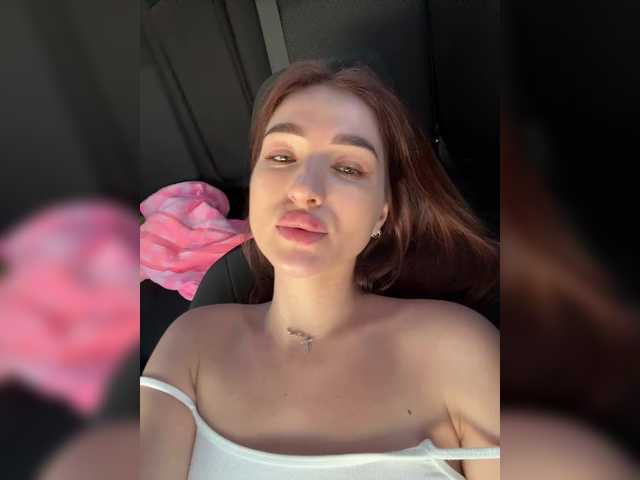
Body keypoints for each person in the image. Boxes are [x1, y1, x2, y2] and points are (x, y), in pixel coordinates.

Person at [141, 59, 500, 479]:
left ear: (382, 212)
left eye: (347, 168)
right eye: (281, 156)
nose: (304, 189)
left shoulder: (459, 349)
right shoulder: (192, 344)